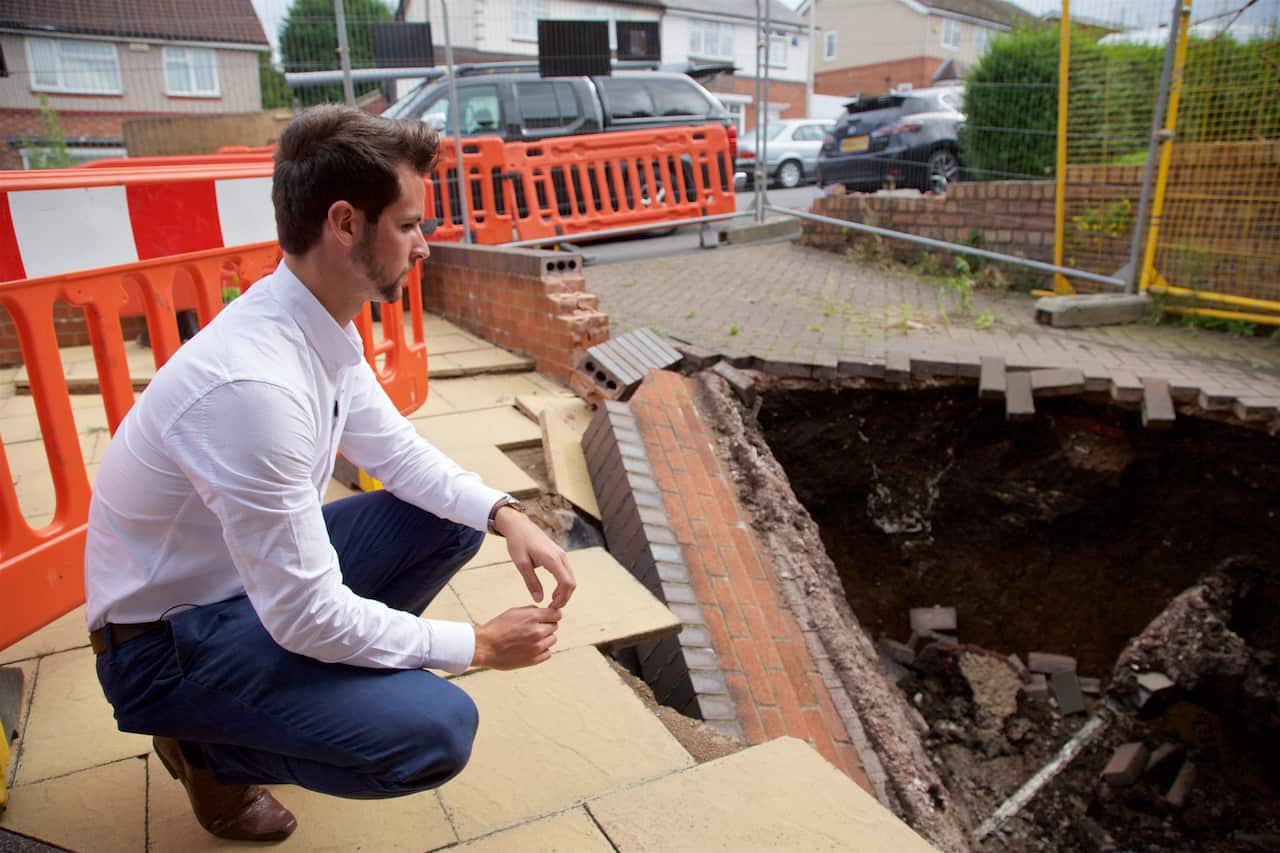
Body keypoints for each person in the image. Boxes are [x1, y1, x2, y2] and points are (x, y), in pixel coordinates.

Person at [84, 105, 576, 843]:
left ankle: (315, 691)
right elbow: (306, 614)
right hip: (163, 646)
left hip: (239, 592)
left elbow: (397, 453)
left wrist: (507, 512)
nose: (426, 246)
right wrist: (476, 645)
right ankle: (206, 748)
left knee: (450, 515)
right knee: (436, 730)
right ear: (344, 223)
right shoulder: (256, 389)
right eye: (409, 225)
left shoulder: (314, 320)